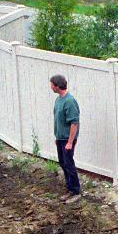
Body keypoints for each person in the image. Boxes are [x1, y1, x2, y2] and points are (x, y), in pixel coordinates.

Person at [50, 74, 81, 203]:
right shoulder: (58, 100)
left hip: (68, 140)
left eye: (52, 84)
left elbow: (74, 123)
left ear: (58, 86)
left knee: (69, 164)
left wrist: (69, 142)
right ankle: (69, 189)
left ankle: (75, 191)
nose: (50, 87)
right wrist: (57, 136)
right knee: (63, 163)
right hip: (61, 138)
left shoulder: (69, 101)